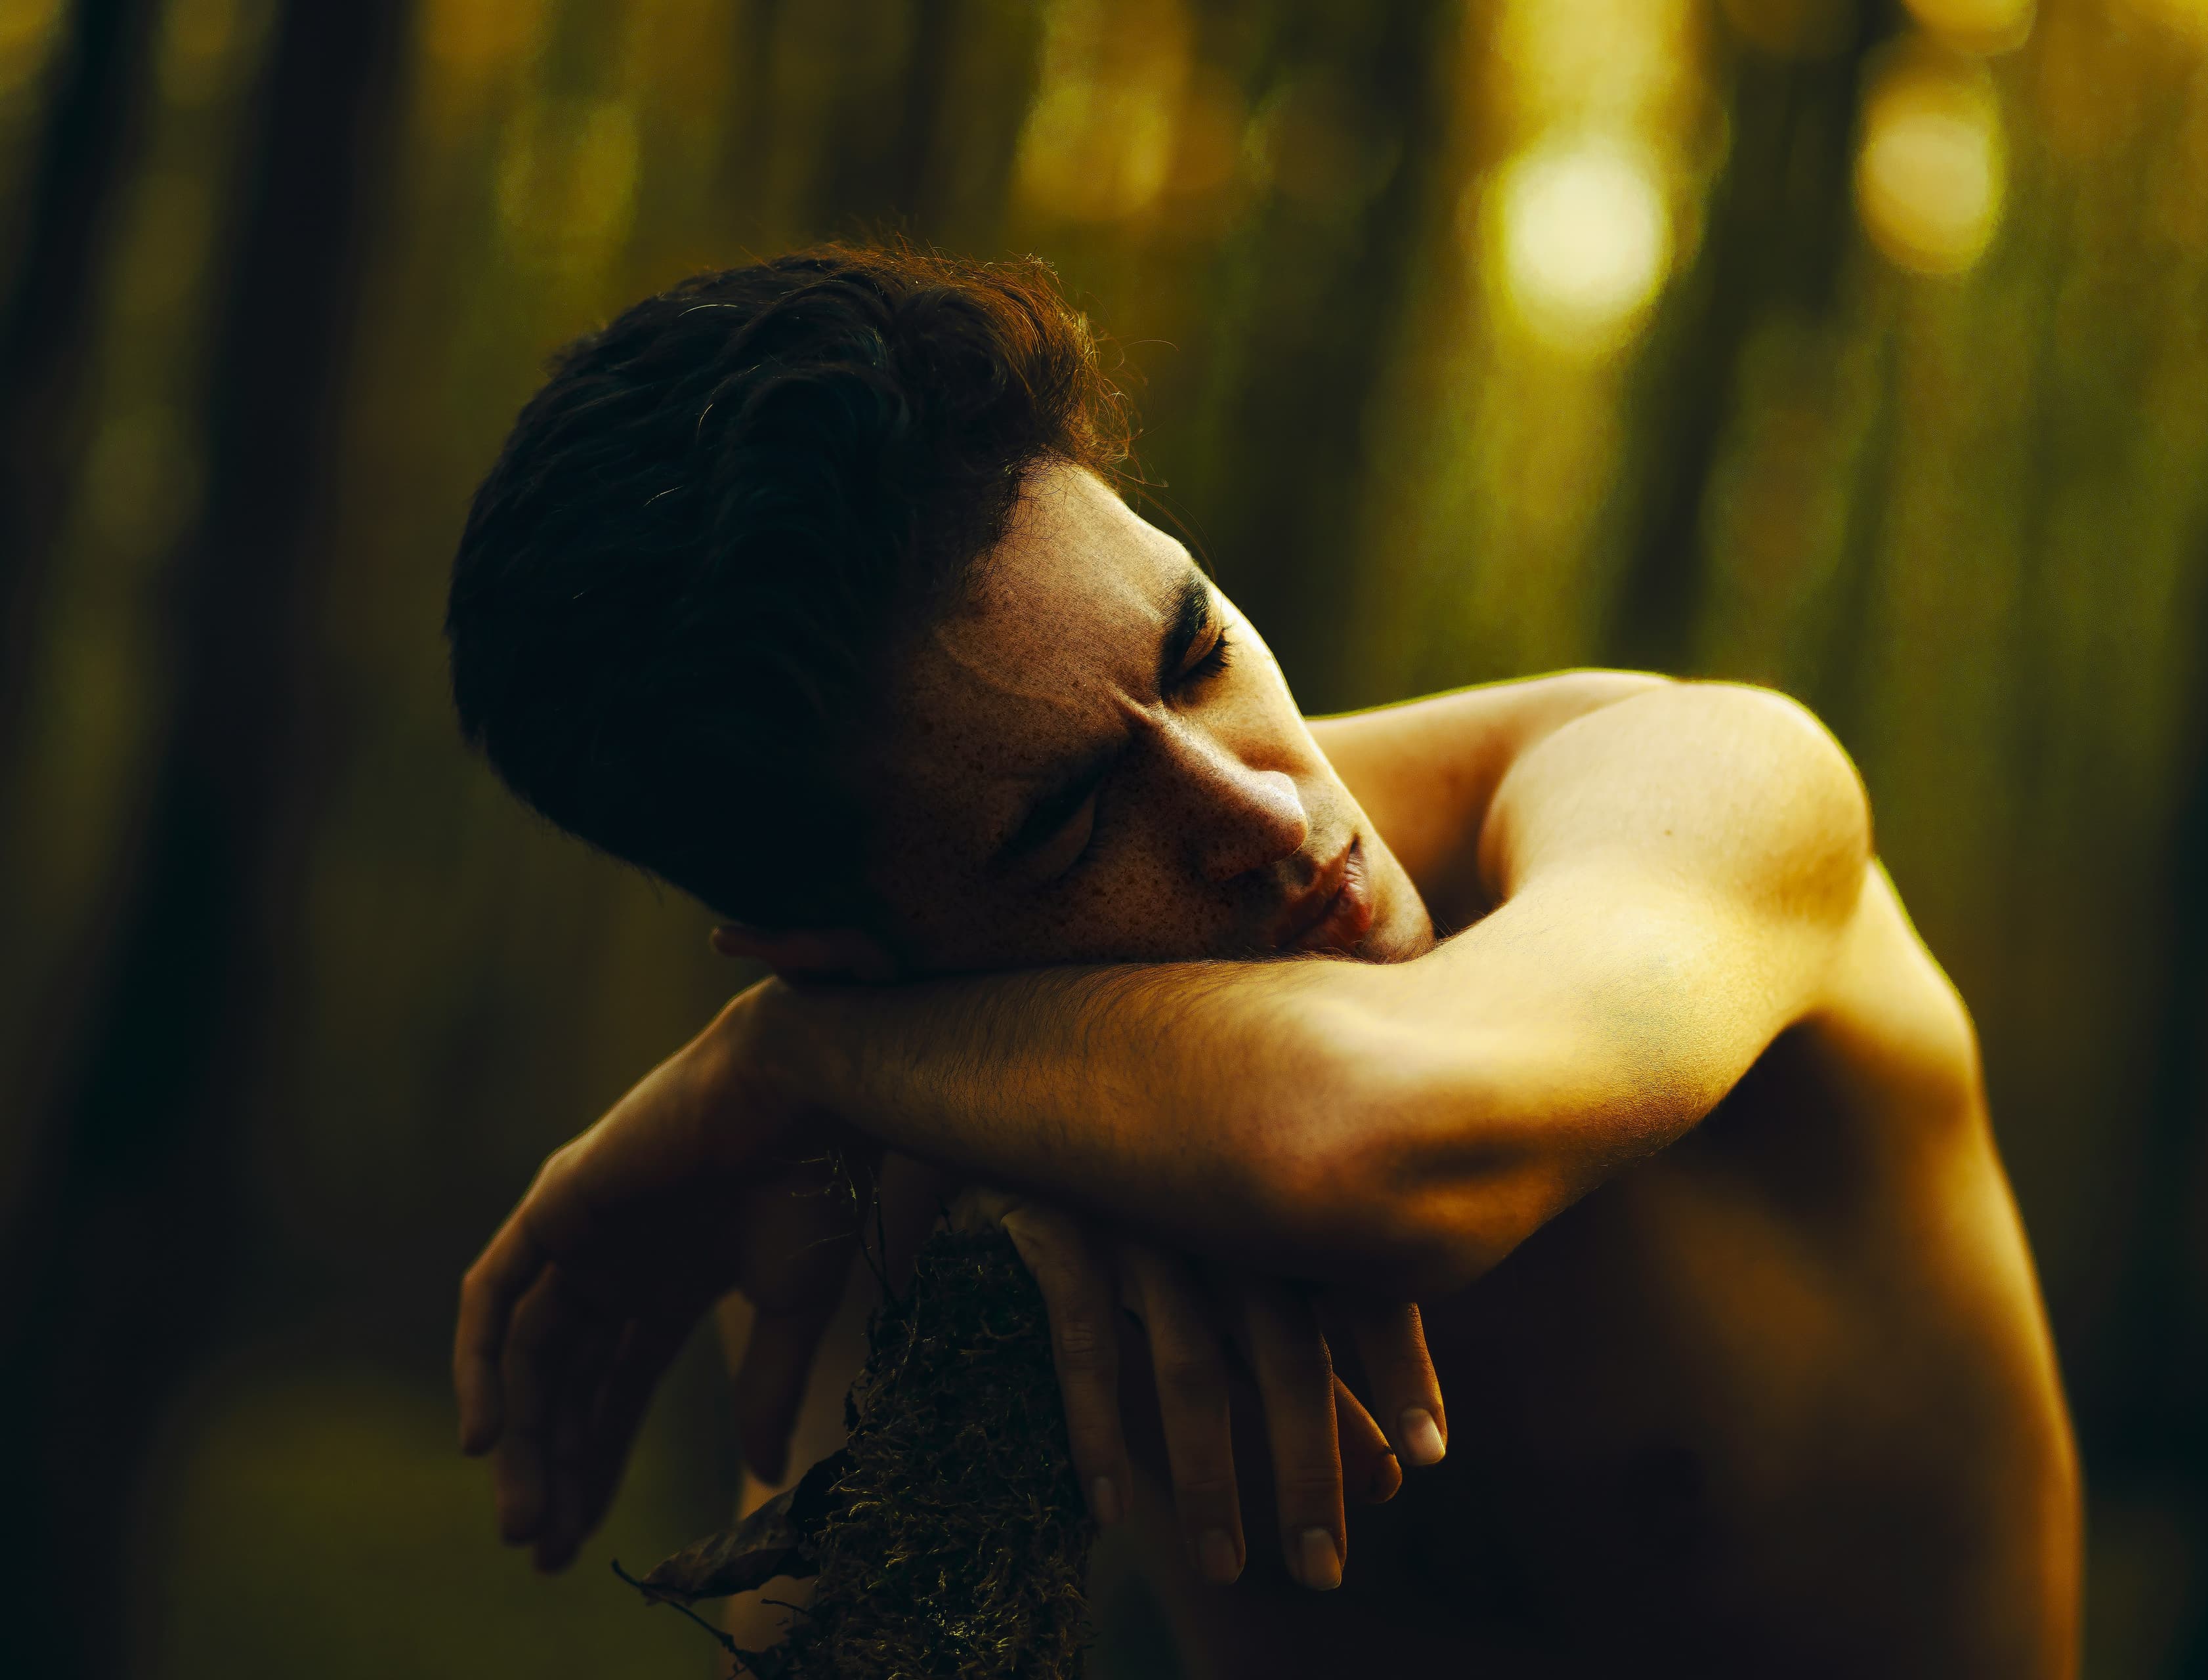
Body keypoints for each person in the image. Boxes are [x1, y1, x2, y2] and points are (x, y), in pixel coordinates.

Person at [445, 245, 2081, 1677]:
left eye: (1201, 648)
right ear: (841, 948)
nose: (1268, 810)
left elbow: (1383, 1139)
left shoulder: (1694, 785)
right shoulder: (919, 1166)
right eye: (1072, 827)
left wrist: (793, 1059)